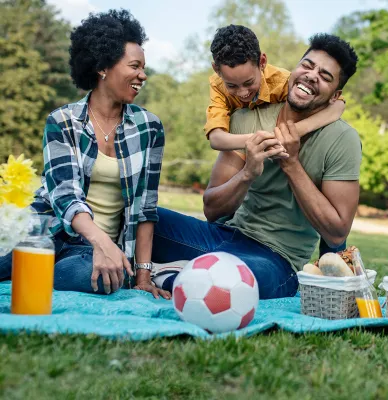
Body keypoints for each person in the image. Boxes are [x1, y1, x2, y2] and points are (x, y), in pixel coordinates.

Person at [151, 34, 361, 300]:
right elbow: (212, 210)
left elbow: (336, 233)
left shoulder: (343, 140)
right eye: (307, 66)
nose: (311, 75)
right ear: (293, 71)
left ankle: (171, 274)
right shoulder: (246, 119)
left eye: (325, 76)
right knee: (142, 218)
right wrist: (247, 173)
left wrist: (291, 163)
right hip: (222, 237)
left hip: (275, 261)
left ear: (336, 96)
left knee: (238, 281)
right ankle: (180, 272)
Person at [0, 10, 170, 299]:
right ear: (103, 67)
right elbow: (65, 195)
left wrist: (142, 275)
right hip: (47, 232)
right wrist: (102, 241)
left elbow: (146, 208)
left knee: (101, 278)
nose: (143, 75)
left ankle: (35, 271)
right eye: (135, 66)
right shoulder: (62, 120)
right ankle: (31, 264)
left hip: (88, 251)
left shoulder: (149, 128)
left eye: (144, 67)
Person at [204, 25, 345, 152]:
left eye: (249, 82)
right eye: (232, 85)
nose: (242, 92)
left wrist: (294, 132)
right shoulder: (218, 85)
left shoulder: (282, 81)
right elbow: (216, 139)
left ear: (262, 62)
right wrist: (267, 139)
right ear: (217, 70)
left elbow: (337, 106)